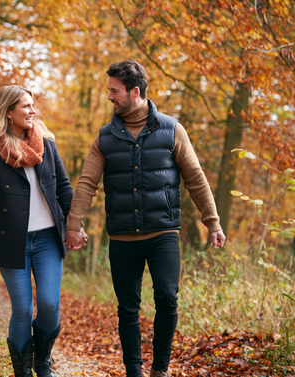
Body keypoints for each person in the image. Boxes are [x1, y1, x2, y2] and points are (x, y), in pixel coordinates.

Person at [64, 60, 226, 377]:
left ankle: (160, 369)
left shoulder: (171, 130)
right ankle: (134, 371)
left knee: (167, 297)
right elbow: (86, 183)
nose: (109, 96)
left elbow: (195, 177)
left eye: (114, 91)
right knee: (128, 309)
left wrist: (213, 222)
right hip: (122, 237)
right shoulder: (105, 137)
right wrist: (73, 225)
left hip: (162, 233)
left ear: (134, 92)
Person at [0, 85, 85, 377]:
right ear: (9, 112)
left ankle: (42, 359)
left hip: (47, 239)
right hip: (12, 242)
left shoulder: (47, 144)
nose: (33, 111)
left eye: (33, 105)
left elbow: (65, 190)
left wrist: (74, 226)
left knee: (49, 304)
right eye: (26, 106)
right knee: (22, 309)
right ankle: (23, 371)